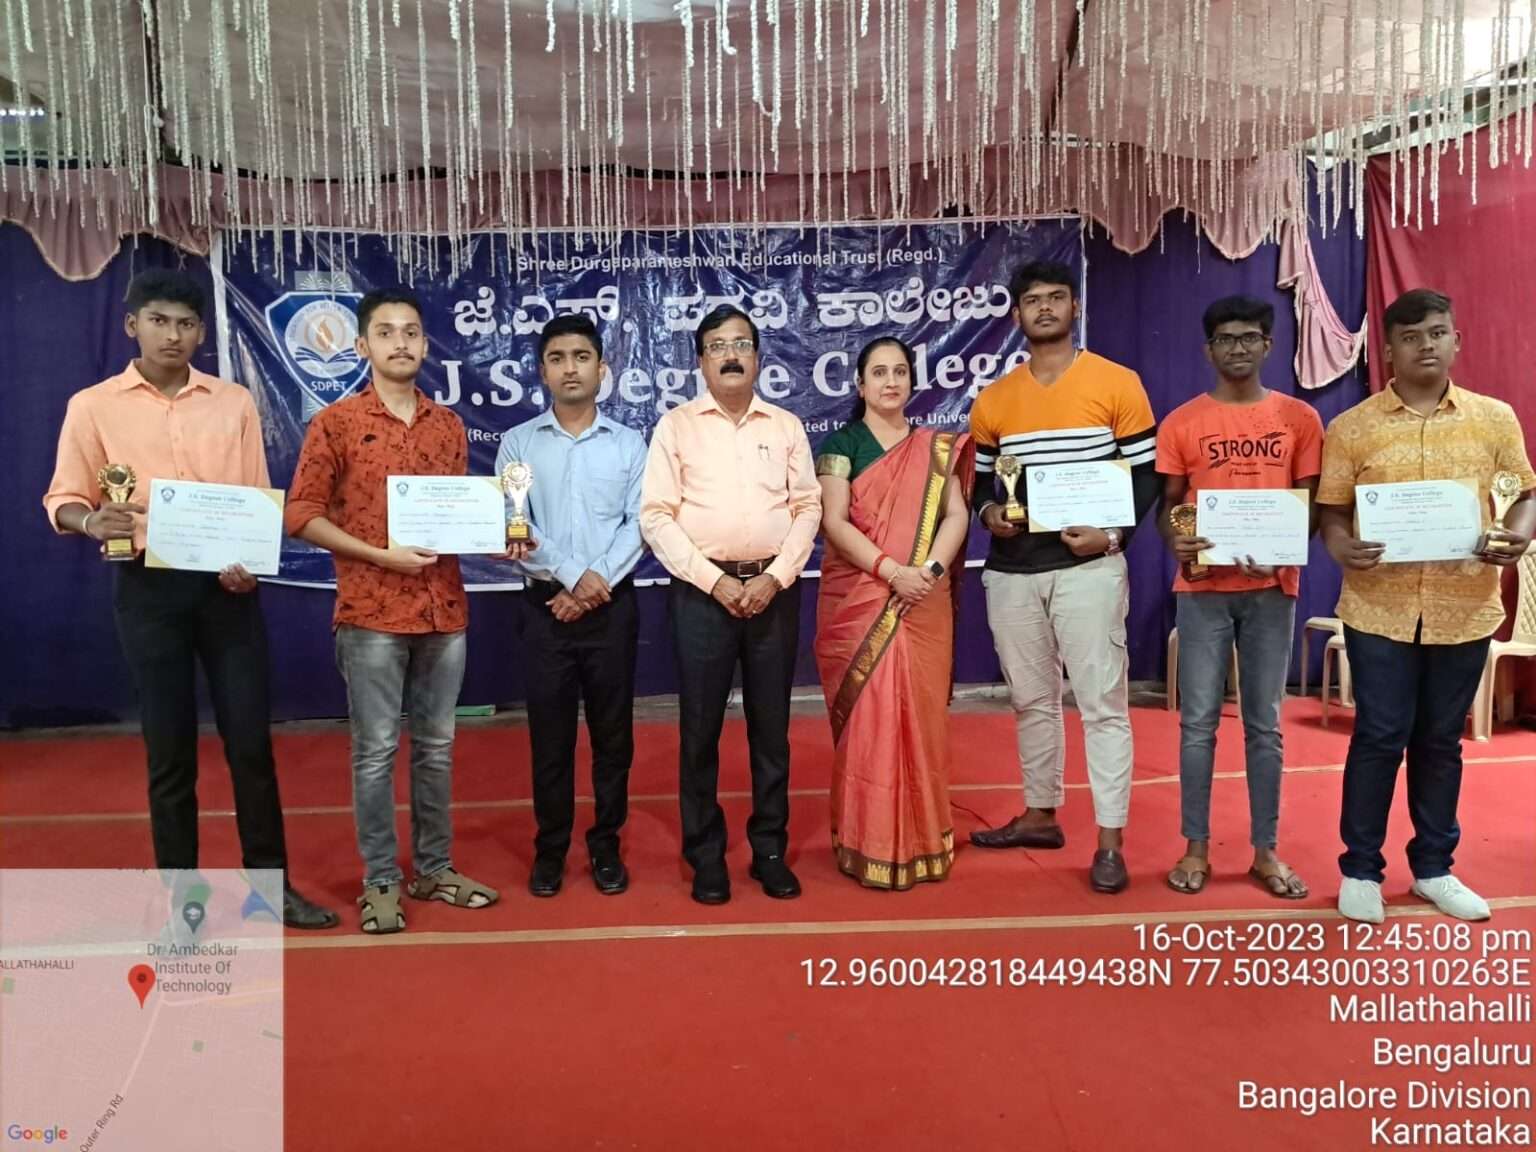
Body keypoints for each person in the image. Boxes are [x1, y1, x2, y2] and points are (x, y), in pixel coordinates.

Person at [41, 268, 337, 929]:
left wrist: (250, 564)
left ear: (202, 332)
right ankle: (183, 902)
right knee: (169, 752)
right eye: (158, 321)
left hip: (226, 590)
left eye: (185, 324)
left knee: (250, 746)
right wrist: (91, 520)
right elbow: (63, 497)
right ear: (133, 325)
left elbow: (253, 496)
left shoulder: (232, 402)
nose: (172, 335)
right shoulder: (92, 406)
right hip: (147, 586)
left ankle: (272, 889)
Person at [1317, 288, 1535, 924]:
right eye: (1410, 338)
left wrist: (1517, 535)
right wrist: (1341, 546)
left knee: (1441, 741)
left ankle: (1435, 868)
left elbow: (1523, 494)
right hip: (1377, 608)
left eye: (1437, 333)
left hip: (1464, 605)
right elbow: (1332, 512)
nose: (1426, 346)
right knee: (1379, 735)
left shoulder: (1495, 419)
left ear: (1456, 340)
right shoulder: (1352, 427)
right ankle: (1361, 869)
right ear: (1388, 350)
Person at [285, 288, 498, 934]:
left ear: (426, 344)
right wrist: (379, 555)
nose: (400, 343)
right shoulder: (336, 423)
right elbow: (300, 515)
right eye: (385, 332)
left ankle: (434, 868)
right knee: (376, 752)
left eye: (410, 332)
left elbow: (452, 517)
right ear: (361, 346)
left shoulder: (448, 425)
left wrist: (500, 533)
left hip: (443, 611)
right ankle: (380, 879)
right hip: (371, 612)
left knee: (437, 748)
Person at [967, 259, 1159, 894]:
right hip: (1013, 573)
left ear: (1074, 306)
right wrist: (990, 514)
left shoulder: (1117, 383)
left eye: (1056, 297)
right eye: (1032, 300)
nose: (1044, 307)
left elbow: (1147, 476)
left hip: (1090, 568)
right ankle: (1040, 814)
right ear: (1016, 315)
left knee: (1102, 705)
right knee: (1030, 701)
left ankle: (1109, 841)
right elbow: (984, 486)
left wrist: (1113, 535)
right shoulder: (994, 399)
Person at [640, 304, 822, 905]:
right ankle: (706, 855)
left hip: (774, 593)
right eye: (717, 346)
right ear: (700, 361)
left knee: (771, 730)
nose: (730, 355)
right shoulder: (676, 427)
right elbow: (656, 516)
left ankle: (769, 850)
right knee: (700, 731)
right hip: (701, 595)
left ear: (758, 357)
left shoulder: (785, 426)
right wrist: (713, 582)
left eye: (741, 343)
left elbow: (808, 508)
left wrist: (776, 577)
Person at [1155, 295, 1324, 899]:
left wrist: (1283, 547)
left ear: (1268, 345)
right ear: (1209, 350)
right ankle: (1195, 847)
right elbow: (1169, 506)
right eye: (1225, 339)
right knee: (1198, 723)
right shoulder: (1182, 422)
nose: (1238, 348)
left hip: (1272, 589)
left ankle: (1265, 851)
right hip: (1202, 590)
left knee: (1265, 725)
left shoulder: (1300, 418)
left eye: (1249, 337)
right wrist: (1177, 540)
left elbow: (1309, 503)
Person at [813, 337, 973, 889]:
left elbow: (957, 514)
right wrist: (890, 572)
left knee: (922, 722)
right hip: (862, 599)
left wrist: (928, 571)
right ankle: (870, 842)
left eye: (900, 371)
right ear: (860, 385)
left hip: (922, 600)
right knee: (870, 722)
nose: (890, 381)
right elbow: (834, 521)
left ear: (911, 381)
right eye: (878, 372)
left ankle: (925, 842)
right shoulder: (842, 445)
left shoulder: (935, 449)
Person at [495, 314, 646, 898]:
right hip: (544, 611)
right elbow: (515, 523)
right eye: (557, 358)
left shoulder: (629, 443)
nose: (570, 369)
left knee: (614, 738)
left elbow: (640, 523)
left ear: (602, 368)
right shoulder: (518, 443)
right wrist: (572, 577)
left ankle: (606, 844)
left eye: (581, 357)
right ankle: (551, 849)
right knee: (550, 738)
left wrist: (593, 582)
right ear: (542, 372)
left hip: (611, 607)